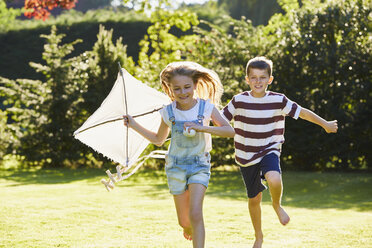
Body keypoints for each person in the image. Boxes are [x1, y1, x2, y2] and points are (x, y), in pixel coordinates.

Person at [221, 56, 338, 248]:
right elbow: (220, 119)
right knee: (254, 200)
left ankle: (276, 204)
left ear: (270, 79)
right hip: (246, 155)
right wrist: (200, 125)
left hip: (269, 148)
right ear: (247, 79)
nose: (258, 81)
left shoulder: (278, 100)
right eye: (254, 77)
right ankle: (258, 236)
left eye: (262, 77)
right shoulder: (239, 100)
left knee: (274, 178)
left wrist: (324, 124)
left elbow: (303, 112)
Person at [123, 61, 235, 248]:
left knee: (196, 213)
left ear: (195, 86)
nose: (183, 92)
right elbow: (158, 139)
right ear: (170, 89)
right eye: (177, 89)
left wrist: (202, 127)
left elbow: (229, 131)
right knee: (184, 221)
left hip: (200, 164)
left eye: (187, 87)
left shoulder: (206, 108)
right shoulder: (168, 112)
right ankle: (187, 227)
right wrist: (133, 125)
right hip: (175, 167)